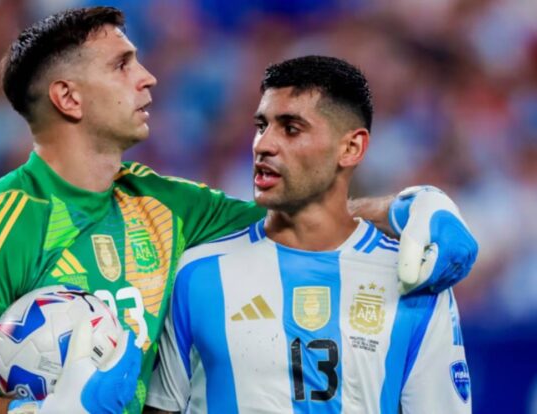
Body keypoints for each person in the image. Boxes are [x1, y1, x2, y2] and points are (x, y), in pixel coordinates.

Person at [0, 7, 476, 414]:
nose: (147, 77)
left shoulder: (168, 205)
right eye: (122, 65)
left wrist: (411, 207)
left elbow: (306, 210)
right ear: (69, 97)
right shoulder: (0, 225)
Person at [145, 56, 475, 413]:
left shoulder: (412, 280)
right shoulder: (199, 272)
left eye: (291, 129)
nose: (263, 145)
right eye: (262, 126)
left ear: (351, 148)